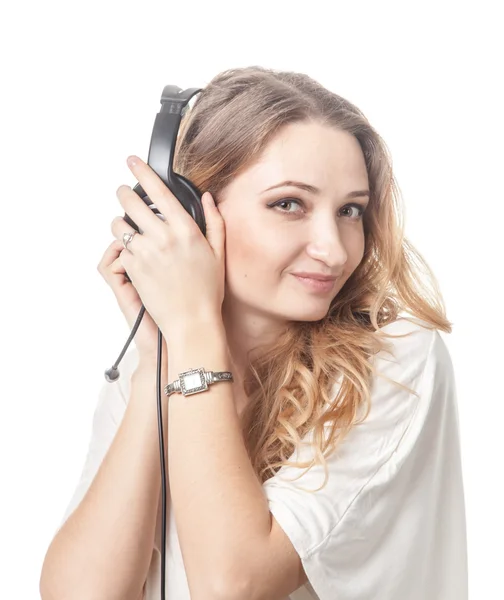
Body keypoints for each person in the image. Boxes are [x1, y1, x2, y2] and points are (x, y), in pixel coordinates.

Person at [40, 66, 468, 600]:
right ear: (187, 214)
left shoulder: (395, 359)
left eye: (350, 211)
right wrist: (157, 359)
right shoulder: (156, 358)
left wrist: (192, 335)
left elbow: (234, 586)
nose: (334, 250)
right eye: (289, 204)